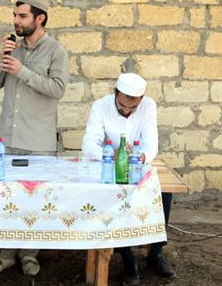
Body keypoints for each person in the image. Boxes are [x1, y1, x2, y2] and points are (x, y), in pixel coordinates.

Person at [0, 0, 69, 276]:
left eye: (22, 16)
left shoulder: (56, 51)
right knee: (6, 199)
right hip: (8, 140)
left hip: (38, 142)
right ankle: (5, 255)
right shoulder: (12, 49)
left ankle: (29, 255)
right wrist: (2, 56)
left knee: (35, 202)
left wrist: (22, 71)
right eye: (15, 16)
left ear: (39, 18)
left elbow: (57, 89)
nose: (16, 21)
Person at [81, 73, 176, 285]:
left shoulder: (148, 106)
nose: (126, 111)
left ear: (141, 100)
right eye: (122, 106)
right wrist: (109, 154)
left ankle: (156, 253)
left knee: (163, 194)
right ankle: (128, 258)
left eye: (132, 108)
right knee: (117, 197)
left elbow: (151, 145)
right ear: (116, 94)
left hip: (136, 164)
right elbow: (88, 144)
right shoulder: (101, 106)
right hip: (108, 166)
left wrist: (140, 156)